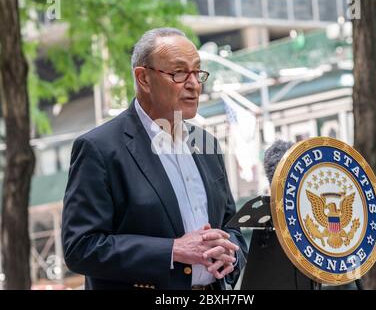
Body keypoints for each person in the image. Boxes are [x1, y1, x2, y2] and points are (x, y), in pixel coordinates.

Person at [62, 27, 247, 290]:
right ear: (144, 78)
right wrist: (173, 250)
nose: (194, 84)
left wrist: (232, 254)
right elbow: (80, 247)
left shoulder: (207, 145)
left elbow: (233, 229)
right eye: (179, 73)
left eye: (197, 72)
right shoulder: (99, 148)